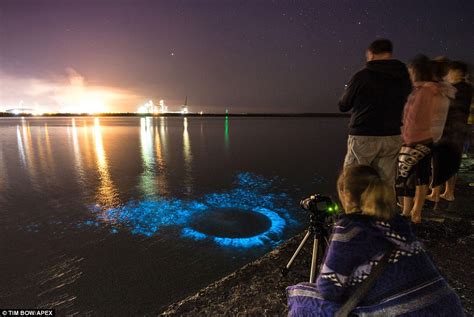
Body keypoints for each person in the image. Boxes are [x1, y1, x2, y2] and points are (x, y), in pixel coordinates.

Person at [287, 165, 464, 316]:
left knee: (300, 295)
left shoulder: (350, 228)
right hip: (449, 307)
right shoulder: (398, 221)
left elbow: (328, 290)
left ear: (346, 194)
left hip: (403, 311)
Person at [339, 39, 412, 188]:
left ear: (370, 54)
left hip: (364, 136)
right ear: (389, 54)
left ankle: (355, 211)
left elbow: (343, 105)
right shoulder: (403, 77)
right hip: (392, 135)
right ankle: (383, 210)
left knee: (353, 180)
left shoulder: (362, 76)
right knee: (387, 183)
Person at [396, 55, 455, 223]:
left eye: (411, 70)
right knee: (421, 177)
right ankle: (415, 212)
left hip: (414, 140)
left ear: (417, 71)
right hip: (426, 139)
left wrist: (403, 134)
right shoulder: (431, 90)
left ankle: (410, 211)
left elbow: (414, 118)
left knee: (405, 177)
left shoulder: (423, 91)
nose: (409, 73)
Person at [428, 61, 473, 202]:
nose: (448, 74)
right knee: (453, 161)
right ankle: (449, 192)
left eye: (450, 72)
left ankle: (435, 194)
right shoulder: (468, 88)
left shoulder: (453, 89)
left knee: (438, 160)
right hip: (459, 131)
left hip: (447, 130)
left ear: (458, 72)